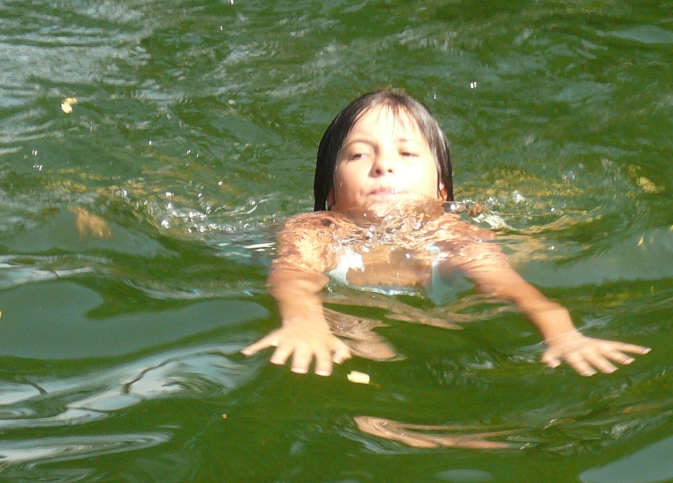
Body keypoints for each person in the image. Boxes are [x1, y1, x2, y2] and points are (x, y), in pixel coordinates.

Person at [242, 89, 649, 377]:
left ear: (441, 191)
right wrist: (303, 322)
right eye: (359, 154)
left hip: (435, 293)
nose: (383, 165)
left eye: (406, 153)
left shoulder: (453, 236)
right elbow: (294, 279)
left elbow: (513, 289)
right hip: (352, 308)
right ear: (330, 194)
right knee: (350, 331)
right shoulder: (315, 230)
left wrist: (564, 335)